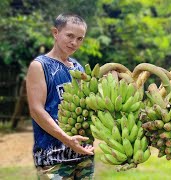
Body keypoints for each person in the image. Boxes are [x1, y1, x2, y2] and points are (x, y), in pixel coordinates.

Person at [26, 13, 95, 179]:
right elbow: (36, 110)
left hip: (84, 155)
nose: (74, 43)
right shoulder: (40, 66)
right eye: (70, 36)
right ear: (55, 33)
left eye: (80, 38)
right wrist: (67, 139)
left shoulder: (79, 68)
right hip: (53, 158)